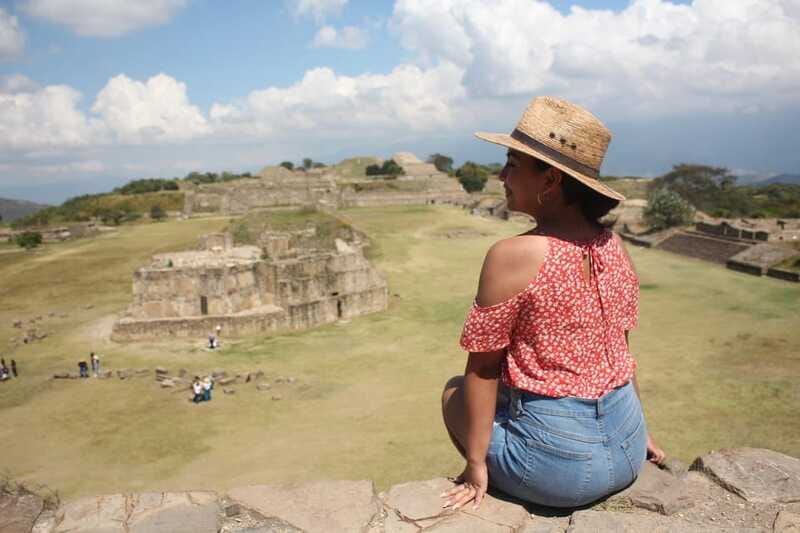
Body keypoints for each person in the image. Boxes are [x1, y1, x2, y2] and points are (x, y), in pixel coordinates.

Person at [441, 96, 666, 511]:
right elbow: (620, 351)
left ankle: (489, 471)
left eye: (513, 163)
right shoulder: (614, 245)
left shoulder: (513, 254)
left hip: (558, 473)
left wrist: (475, 464)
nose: (501, 174)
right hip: (629, 446)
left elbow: (484, 367)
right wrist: (640, 432)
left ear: (551, 181)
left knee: (453, 392)